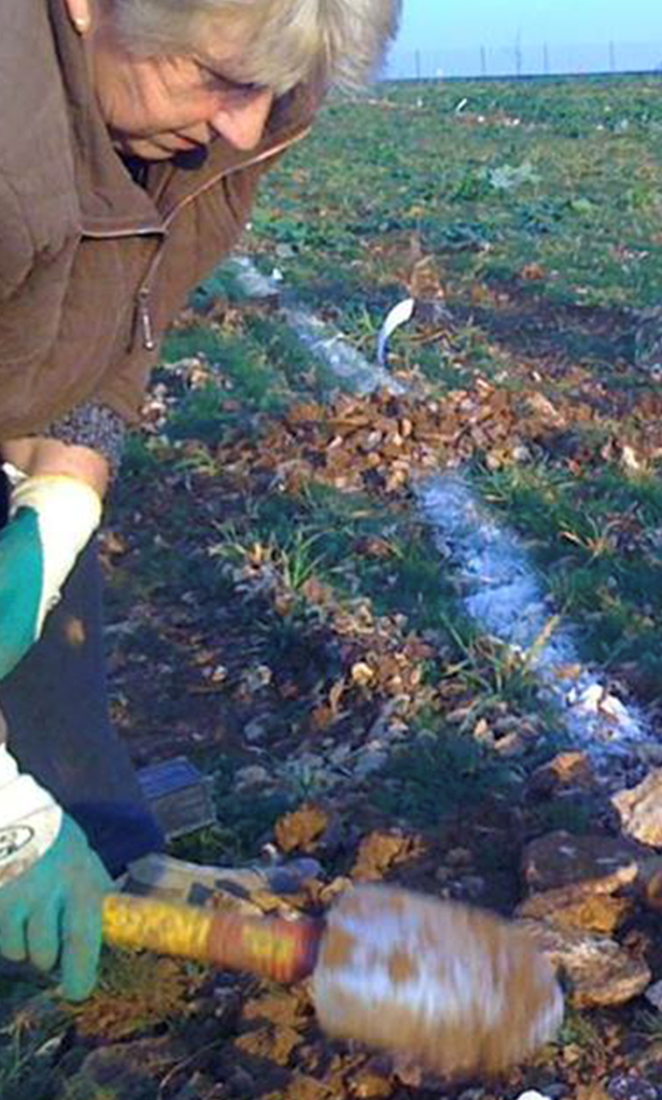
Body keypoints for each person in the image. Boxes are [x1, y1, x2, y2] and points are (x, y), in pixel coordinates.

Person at [0, 0, 401, 1001]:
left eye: (272, 90)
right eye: (219, 80)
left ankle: (107, 852)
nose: (244, 127)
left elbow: (113, 313)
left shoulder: (242, 98)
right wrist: (11, 829)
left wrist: (58, 504)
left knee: (41, 611)